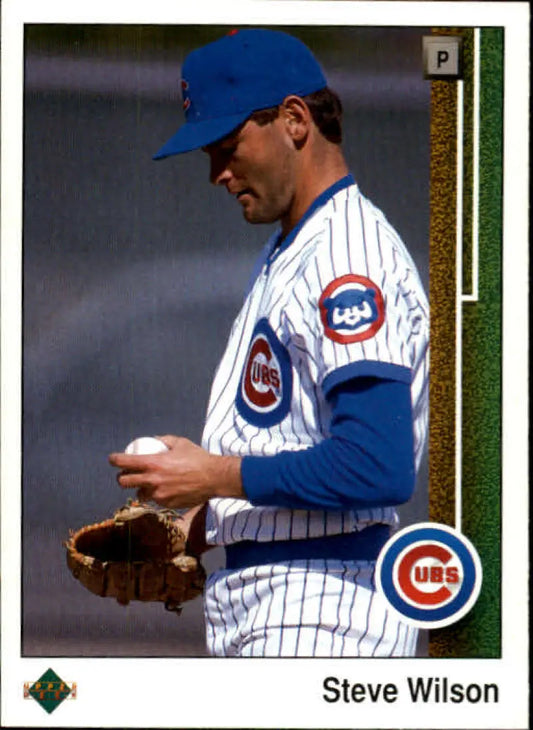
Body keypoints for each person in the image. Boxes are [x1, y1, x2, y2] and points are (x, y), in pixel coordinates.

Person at [109, 28, 429, 658]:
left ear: (293, 120)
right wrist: (196, 527)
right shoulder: (293, 246)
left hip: (323, 613)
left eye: (227, 147)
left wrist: (213, 474)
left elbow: (377, 463)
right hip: (280, 599)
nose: (216, 173)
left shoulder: (345, 257)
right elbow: (295, 441)